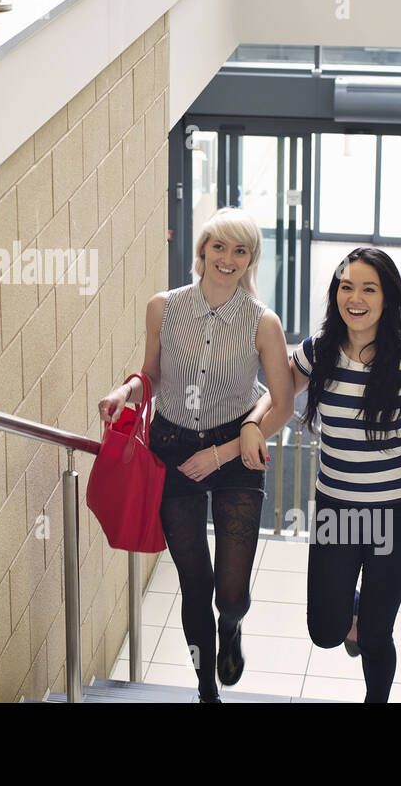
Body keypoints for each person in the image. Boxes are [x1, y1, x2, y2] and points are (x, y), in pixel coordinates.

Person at [244, 247, 401, 703]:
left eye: (368, 288)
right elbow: (278, 396)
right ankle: (356, 611)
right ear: (335, 294)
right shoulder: (318, 351)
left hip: (396, 515)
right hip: (336, 513)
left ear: (388, 298)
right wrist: (250, 425)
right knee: (326, 630)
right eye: (346, 287)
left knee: (377, 637)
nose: (355, 298)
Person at [99, 207, 293, 703]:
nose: (227, 259)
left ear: (250, 260)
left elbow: (284, 400)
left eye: (240, 250)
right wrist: (127, 393)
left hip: (235, 451)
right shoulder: (163, 307)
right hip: (173, 449)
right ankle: (206, 689)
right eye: (219, 247)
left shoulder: (263, 323)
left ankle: (231, 628)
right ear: (202, 250)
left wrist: (228, 447)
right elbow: (152, 376)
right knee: (195, 583)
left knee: (230, 593)